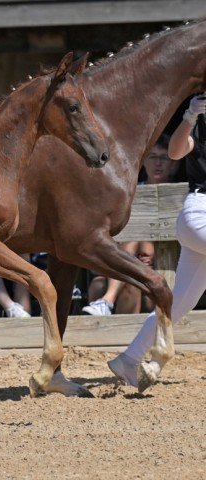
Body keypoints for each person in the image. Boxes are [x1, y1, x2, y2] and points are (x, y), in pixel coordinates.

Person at [108, 93, 206, 388]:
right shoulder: (199, 126)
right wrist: (189, 117)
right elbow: (176, 152)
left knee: (177, 305)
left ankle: (129, 359)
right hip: (199, 212)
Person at [82, 136, 178, 316]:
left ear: (173, 165)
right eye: (153, 157)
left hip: (159, 264)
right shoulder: (130, 192)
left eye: (164, 158)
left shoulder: (177, 194)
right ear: (144, 161)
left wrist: (153, 256)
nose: (158, 163)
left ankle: (107, 302)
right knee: (100, 283)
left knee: (132, 281)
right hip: (127, 262)